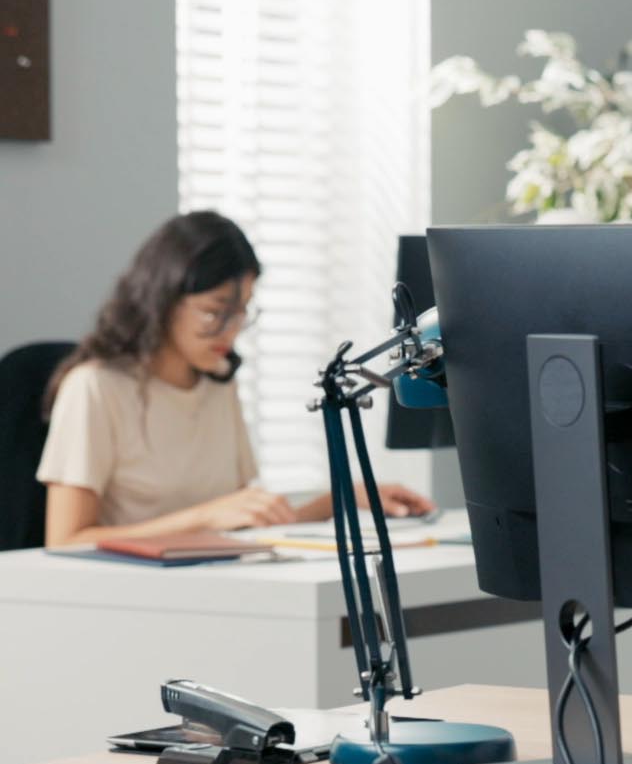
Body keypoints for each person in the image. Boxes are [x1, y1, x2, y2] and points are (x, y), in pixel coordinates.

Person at [38, 211, 432, 547]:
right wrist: (204, 518)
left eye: (242, 312)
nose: (231, 331)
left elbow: (240, 518)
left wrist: (347, 499)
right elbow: (66, 540)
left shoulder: (217, 382)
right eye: (214, 312)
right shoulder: (94, 387)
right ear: (161, 300)